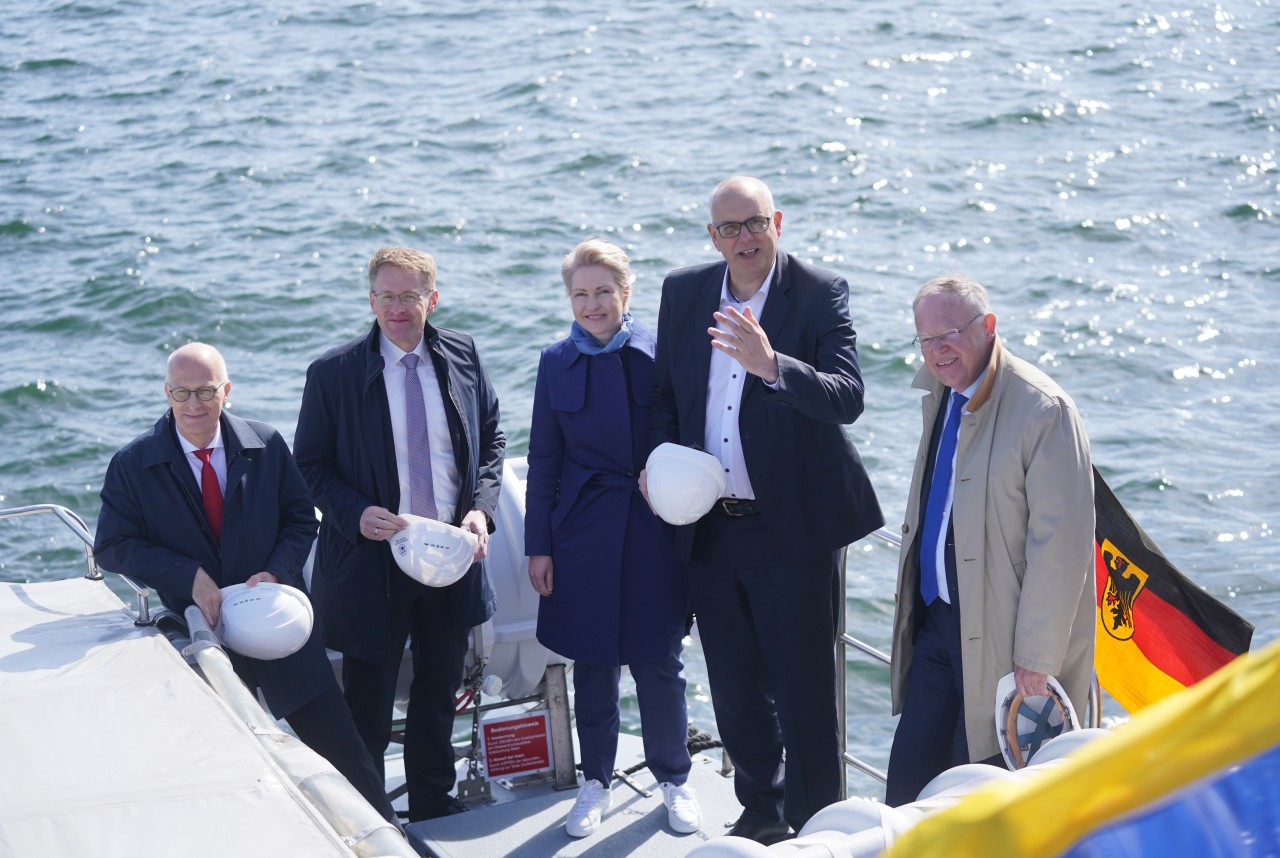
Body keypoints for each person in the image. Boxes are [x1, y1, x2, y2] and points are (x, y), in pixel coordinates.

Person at [645, 176, 884, 843]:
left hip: (793, 527)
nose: (745, 239)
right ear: (712, 237)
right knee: (735, 684)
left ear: (776, 221)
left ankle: (819, 829)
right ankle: (761, 815)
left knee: (805, 688)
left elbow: (847, 397)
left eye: (755, 224)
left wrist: (772, 364)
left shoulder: (818, 291)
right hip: (710, 524)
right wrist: (658, 465)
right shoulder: (684, 292)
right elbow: (665, 394)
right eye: (730, 228)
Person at [93, 342, 398, 824]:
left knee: (343, 750)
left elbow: (301, 519)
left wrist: (275, 570)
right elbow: (112, 545)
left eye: (206, 391)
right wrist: (188, 576)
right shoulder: (133, 465)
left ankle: (390, 840)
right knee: (219, 771)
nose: (194, 405)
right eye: (182, 392)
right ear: (166, 393)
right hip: (199, 636)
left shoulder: (267, 445)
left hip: (277, 623)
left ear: (226, 390)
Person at [294, 246, 505, 822]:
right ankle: (366, 816)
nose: (397, 309)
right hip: (372, 562)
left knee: (438, 692)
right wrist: (356, 512)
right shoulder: (332, 374)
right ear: (371, 301)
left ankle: (433, 804)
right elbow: (308, 467)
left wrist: (481, 512)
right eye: (386, 297)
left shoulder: (462, 353)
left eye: (409, 296)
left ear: (430, 299)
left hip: (450, 553)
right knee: (367, 702)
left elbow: (491, 443)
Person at [885, 274, 1095, 806]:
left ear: (989, 327)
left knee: (974, 794)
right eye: (926, 339)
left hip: (1005, 649)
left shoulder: (1044, 410)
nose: (939, 350)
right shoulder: (940, 393)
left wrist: (1036, 657)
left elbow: (1061, 547)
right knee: (907, 788)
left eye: (951, 332)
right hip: (938, 625)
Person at [525, 239, 701, 839]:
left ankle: (674, 778)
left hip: (654, 525)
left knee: (658, 662)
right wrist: (538, 546)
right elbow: (544, 458)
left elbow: (689, 437)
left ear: (627, 293)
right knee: (593, 665)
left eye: (604, 291)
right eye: (581, 294)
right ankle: (594, 781)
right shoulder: (554, 362)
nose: (593, 304)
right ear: (569, 299)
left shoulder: (663, 354)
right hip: (581, 532)